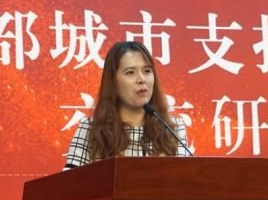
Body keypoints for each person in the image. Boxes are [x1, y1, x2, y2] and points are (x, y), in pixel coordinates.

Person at [64, 40, 192, 169]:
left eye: (147, 71)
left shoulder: (172, 128)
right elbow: (70, 180)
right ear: (113, 81)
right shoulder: (91, 128)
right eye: (130, 72)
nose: (141, 79)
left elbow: (186, 179)